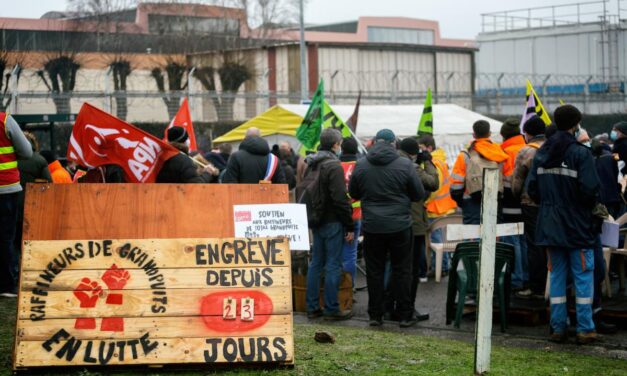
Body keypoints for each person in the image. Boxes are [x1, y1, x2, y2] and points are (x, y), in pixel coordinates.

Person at [526, 105, 600, 344]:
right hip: (577, 227)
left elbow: (532, 190)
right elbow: (590, 190)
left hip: (549, 226)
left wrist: (550, 206)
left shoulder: (542, 153)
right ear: (575, 125)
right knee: (583, 276)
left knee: (556, 275)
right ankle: (585, 328)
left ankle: (557, 328)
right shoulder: (581, 153)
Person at [349, 129, 425, 328]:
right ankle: (405, 315)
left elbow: (353, 192)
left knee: (374, 270)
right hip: (400, 225)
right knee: (403, 270)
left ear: (374, 142)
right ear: (394, 144)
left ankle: (376, 315)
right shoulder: (405, 164)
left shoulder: (362, 164)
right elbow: (418, 194)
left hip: (373, 226)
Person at [304, 128, 354, 321]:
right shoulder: (333, 166)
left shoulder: (311, 163)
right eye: (340, 143)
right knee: (333, 264)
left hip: (315, 219)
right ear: (335, 145)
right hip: (332, 220)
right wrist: (349, 225)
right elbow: (340, 199)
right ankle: (332, 308)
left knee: (316, 263)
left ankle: (312, 307)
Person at [396, 137, 438, 320]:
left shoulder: (393, 163)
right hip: (413, 222)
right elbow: (433, 182)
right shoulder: (411, 167)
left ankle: (391, 307)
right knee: (410, 269)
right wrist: (427, 161)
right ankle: (407, 309)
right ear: (413, 153)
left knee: (396, 267)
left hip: (395, 221)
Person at [511, 116, 547, 301]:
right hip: (551, 204)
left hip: (531, 204)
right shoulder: (552, 148)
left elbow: (516, 181)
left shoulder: (526, 151)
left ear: (527, 133)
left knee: (534, 246)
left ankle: (536, 287)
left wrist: (518, 197)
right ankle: (552, 285)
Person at [450, 120, 509, 224]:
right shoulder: (500, 153)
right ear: (489, 134)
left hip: (471, 203)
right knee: (493, 236)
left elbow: (456, 185)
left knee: (473, 237)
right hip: (495, 201)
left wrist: (461, 201)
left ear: (474, 134)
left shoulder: (465, 155)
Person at [1, 113, 33, 297]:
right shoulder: (5, 121)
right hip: (6, 188)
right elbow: (27, 152)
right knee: (6, 238)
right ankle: (7, 285)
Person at [418, 134, 457, 277]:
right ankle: (442, 266)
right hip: (443, 206)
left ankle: (441, 268)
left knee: (436, 240)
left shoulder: (434, 162)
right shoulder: (441, 160)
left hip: (435, 207)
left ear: (429, 147)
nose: (419, 151)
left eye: (421, 148)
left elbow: (434, 187)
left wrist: (424, 202)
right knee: (440, 239)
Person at [500, 118, 528, 291]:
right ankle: (526, 275)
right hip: (528, 204)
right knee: (525, 241)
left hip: (510, 204)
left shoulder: (504, 152)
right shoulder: (527, 148)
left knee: (512, 242)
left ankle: (516, 279)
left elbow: (505, 182)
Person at [222, 127, 286, 184]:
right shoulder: (274, 159)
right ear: (260, 137)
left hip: (241, 197)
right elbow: (281, 184)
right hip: (267, 197)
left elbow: (229, 183)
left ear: (245, 138)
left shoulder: (235, 157)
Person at [339, 137, 361, 287]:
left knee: (336, 254)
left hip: (338, 214)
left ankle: (337, 288)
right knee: (350, 254)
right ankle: (349, 287)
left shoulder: (335, 166)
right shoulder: (361, 166)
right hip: (356, 215)